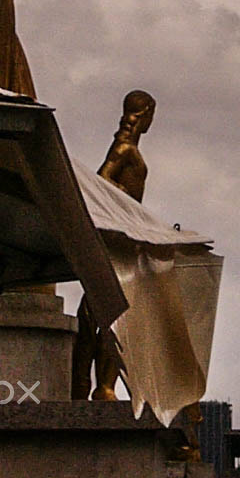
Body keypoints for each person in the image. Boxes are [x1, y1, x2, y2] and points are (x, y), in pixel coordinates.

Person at [72, 91, 157, 401]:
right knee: (112, 317)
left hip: (121, 244)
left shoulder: (127, 147)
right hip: (117, 245)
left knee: (105, 315)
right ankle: (100, 386)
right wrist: (127, 207)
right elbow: (101, 182)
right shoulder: (125, 149)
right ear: (147, 115)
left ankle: (95, 384)